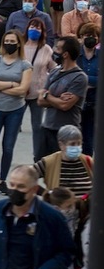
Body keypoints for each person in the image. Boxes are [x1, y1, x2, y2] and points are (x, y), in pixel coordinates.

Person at [37, 36, 88, 160]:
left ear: (65, 54)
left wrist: (47, 95)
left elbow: (65, 106)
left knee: (63, 170)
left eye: (57, 48)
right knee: (45, 169)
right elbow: (40, 100)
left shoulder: (79, 77)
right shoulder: (55, 72)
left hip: (67, 133)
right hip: (48, 128)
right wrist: (56, 98)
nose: (54, 50)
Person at [23, 17, 56, 161]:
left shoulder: (46, 49)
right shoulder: (21, 46)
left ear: (42, 32)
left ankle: (37, 158)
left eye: (38, 28)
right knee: (13, 125)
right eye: (32, 27)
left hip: (38, 94)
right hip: (21, 93)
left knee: (37, 127)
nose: (34, 30)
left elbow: (53, 69)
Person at [34, 124, 93, 199]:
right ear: (61, 145)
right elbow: (26, 177)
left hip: (85, 209)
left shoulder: (88, 161)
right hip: (59, 210)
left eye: (79, 143)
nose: (76, 147)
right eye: (72, 144)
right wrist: (46, 193)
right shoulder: (48, 162)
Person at [76, 22, 98, 156]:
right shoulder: (76, 54)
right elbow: (73, 77)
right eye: (87, 35)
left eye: (94, 36)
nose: (90, 38)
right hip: (77, 102)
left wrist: (83, 78)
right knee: (76, 139)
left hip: (95, 103)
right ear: (81, 37)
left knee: (90, 142)